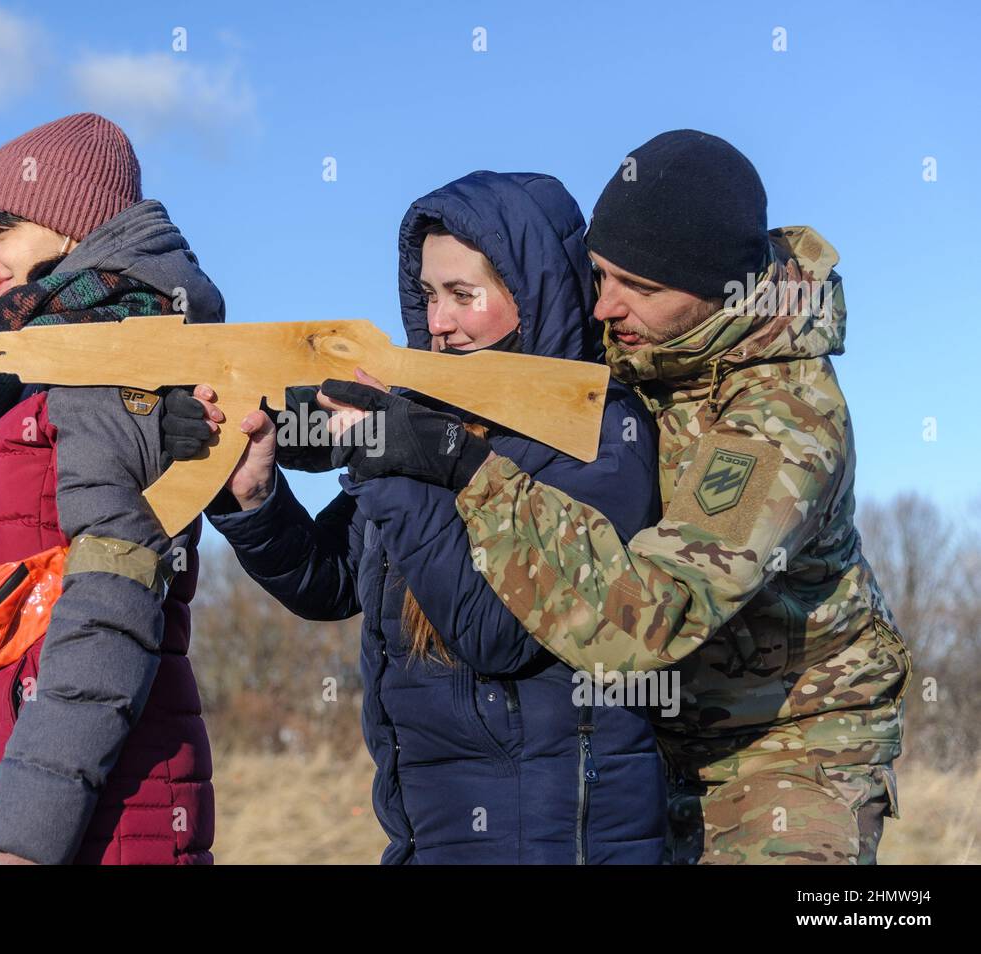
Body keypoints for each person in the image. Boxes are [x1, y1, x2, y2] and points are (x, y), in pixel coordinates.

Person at [321, 131, 912, 864]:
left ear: (717, 291)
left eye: (641, 287)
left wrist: (460, 466)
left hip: (784, 744)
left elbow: (646, 619)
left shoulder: (782, 424)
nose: (604, 306)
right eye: (600, 275)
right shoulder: (637, 346)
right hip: (651, 740)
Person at [164, 171, 668, 863]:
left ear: (532, 294)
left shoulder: (602, 433)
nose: (437, 322)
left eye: (464, 294)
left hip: (556, 841)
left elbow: (494, 634)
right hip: (428, 837)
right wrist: (252, 496)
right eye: (429, 295)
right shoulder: (430, 427)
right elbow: (335, 580)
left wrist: (383, 450)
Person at [0, 113, 223, 864]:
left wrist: (23, 839)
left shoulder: (104, 349)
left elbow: (114, 596)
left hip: (102, 817)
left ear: (69, 221)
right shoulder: (45, 355)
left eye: (0, 228)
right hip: (60, 794)